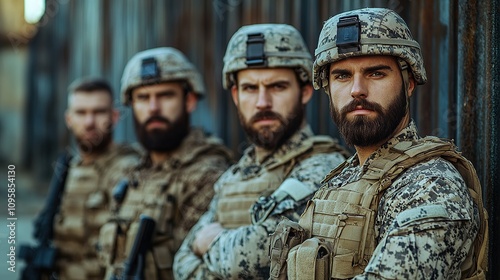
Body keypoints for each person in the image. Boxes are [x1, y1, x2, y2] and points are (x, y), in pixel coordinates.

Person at [270, 8, 488, 280]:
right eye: (342, 76)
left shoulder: (431, 185)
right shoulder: (340, 179)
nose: (357, 89)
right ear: (327, 88)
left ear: (409, 83)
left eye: (375, 73)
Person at [173, 23, 349, 279]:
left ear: (305, 92)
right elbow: (181, 263)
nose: (262, 102)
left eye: (277, 87)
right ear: (235, 95)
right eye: (250, 88)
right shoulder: (236, 174)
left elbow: (251, 255)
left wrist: (209, 245)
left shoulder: (324, 166)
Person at [97, 47, 233, 280]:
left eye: (165, 95)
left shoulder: (209, 174)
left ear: (189, 100)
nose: (153, 108)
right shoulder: (130, 173)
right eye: (143, 97)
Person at [23, 78, 141, 280]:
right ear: (68, 119)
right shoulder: (68, 167)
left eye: (98, 112)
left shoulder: (129, 168)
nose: (89, 122)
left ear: (114, 117)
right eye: (81, 112)